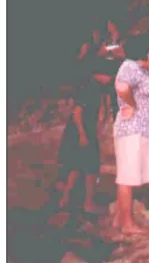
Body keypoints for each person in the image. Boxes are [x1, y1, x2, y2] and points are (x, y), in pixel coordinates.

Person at [113, 33, 149, 235]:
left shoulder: (139, 70)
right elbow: (121, 87)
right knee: (127, 176)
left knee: (131, 174)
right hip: (131, 130)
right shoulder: (130, 66)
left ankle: (120, 219)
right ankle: (127, 224)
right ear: (145, 51)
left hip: (140, 130)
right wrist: (132, 104)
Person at [56, 72, 106, 214]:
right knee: (91, 168)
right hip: (83, 130)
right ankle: (88, 203)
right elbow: (77, 113)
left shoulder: (90, 86)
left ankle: (64, 199)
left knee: (76, 166)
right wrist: (83, 134)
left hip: (83, 129)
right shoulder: (90, 88)